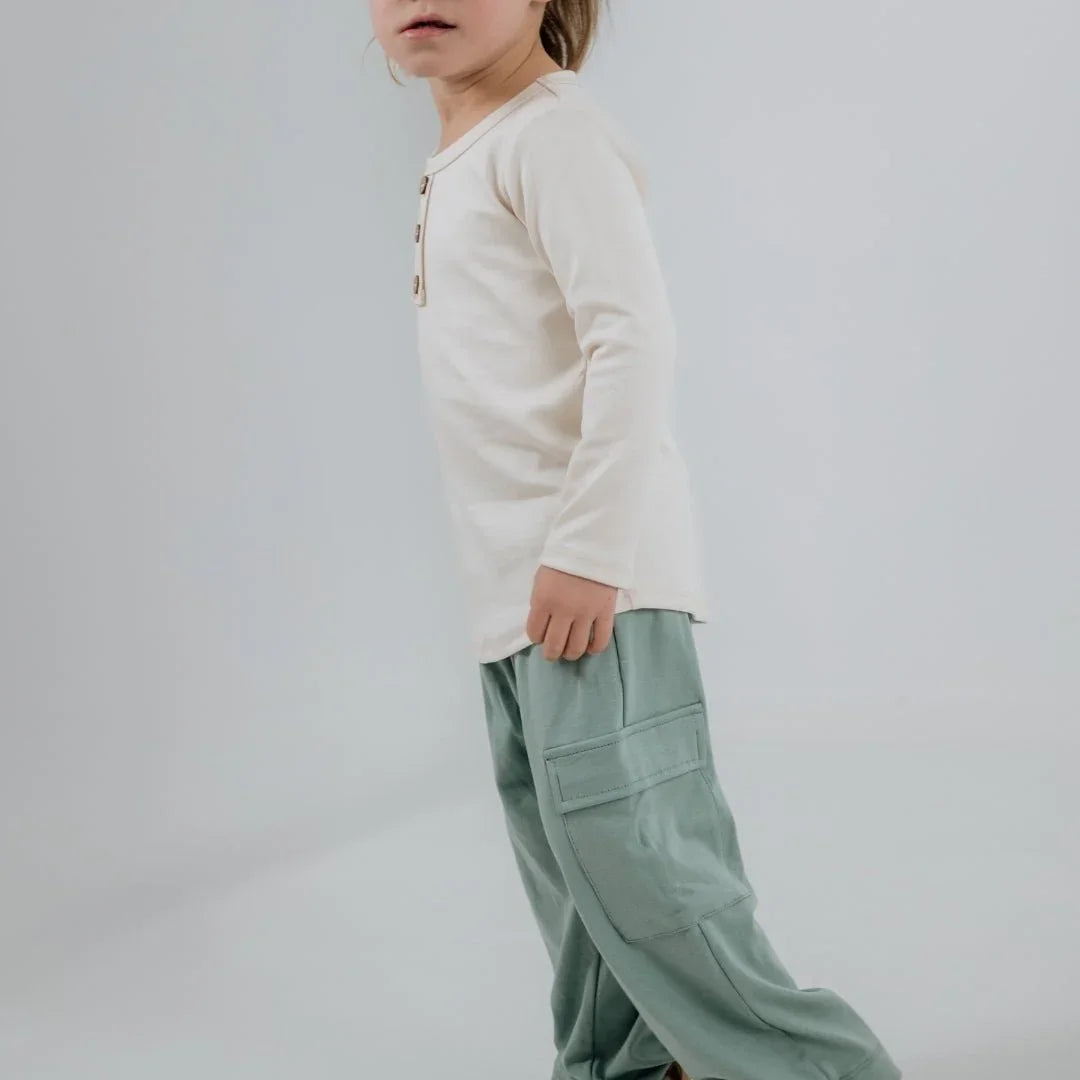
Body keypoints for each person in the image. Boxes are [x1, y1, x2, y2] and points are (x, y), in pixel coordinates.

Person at [369, 3, 904, 1079]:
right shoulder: (465, 154)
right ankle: (631, 1068)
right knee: (580, 885)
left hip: (590, 578)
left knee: (646, 867)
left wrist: (590, 545)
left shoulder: (548, 135)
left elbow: (633, 332)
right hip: (513, 595)